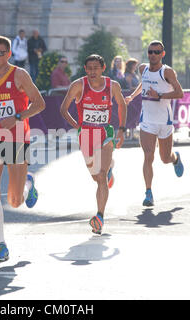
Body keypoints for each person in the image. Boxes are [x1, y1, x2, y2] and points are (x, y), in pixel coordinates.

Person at [0, 36, 46, 261]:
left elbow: (39, 103)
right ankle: (1, 244)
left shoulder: (19, 75)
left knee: (15, 201)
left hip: (16, 139)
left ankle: (28, 184)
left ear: (8, 54)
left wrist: (16, 117)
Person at [60, 54, 127, 235]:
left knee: (102, 176)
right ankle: (108, 170)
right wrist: (77, 125)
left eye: (96, 68)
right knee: (96, 178)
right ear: (85, 69)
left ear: (103, 68)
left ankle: (99, 216)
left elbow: (122, 105)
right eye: (89, 68)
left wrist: (121, 129)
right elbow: (63, 109)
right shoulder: (78, 86)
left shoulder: (112, 86)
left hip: (106, 133)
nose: (92, 72)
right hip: (86, 136)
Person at [126, 40, 184, 207]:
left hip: (164, 121)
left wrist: (159, 96)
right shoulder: (142, 68)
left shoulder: (167, 72)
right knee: (148, 155)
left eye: (157, 52)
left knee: (165, 158)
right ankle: (148, 193)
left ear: (162, 54)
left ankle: (175, 159)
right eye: (150, 52)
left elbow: (179, 93)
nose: (153, 55)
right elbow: (143, 83)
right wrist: (133, 96)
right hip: (147, 121)